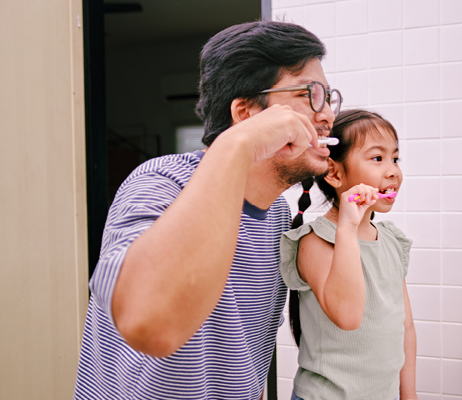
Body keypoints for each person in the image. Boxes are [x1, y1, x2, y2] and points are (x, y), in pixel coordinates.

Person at [74, 21, 342, 399]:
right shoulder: (162, 181)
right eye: (309, 94)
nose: (327, 114)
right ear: (246, 114)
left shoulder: (280, 217)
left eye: (329, 97)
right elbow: (151, 324)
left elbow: (244, 355)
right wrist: (238, 145)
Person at [279, 110, 418, 400]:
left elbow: (405, 327)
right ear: (334, 172)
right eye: (377, 158)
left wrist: (409, 395)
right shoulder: (315, 241)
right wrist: (348, 226)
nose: (393, 170)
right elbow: (347, 316)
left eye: (395, 158)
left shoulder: (391, 240)